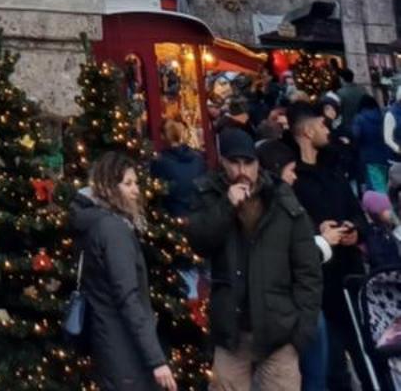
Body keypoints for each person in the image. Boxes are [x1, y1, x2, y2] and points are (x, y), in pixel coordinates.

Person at [186, 124, 323, 391]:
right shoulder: (209, 194)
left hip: (279, 330)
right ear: (222, 162)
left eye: (248, 163)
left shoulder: (281, 198)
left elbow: (308, 268)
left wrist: (301, 330)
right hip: (232, 331)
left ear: (257, 163)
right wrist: (227, 206)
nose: (241, 172)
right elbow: (200, 241)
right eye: (234, 163)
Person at [70, 150, 177, 391]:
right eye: (127, 183)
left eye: (135, 182)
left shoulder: (95, 223)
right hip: (124, 349)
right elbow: (128, 297)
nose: (135, 190)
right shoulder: (113, 230)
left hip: (109, 343)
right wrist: (156, 360)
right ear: (109, 187)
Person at [258, 141, 349, 391]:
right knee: (313, 376)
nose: (295, 177)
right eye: (290, 170)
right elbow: (290, 257)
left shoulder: (280, 201)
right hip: (296, 305)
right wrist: (322, 242)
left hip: (300, 304)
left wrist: (316, 234)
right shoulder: (277, 205)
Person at [289, 101, 367, 391]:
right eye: (322, 125)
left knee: (366, 351)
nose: (327, 130)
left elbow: (357, 211)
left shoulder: (333, 169)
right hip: (320, 285)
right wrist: (318, 234)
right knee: (331, 365)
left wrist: (355, 231)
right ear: (308, 131)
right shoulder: (294, 180)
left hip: (351, 276)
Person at [153, 118, 207, 219]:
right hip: (199, 214)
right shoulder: (198, 157)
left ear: (163, 136)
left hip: (176, 216)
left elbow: (158, 190)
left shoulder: (160, 162)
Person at [351, 93, 391, 193]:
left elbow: (355, 136)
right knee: (384, 183)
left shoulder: (359, 119)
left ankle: (382, 206)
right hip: (384, 155)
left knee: (376, 187)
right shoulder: (383, 115)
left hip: (368, 157)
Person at [359, 190, 401, 274]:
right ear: (377, 211)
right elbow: (378, 257)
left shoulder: (387, 228)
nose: (390, 212)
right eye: (386, 209)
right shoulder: (374, 234)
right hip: (388, 272)